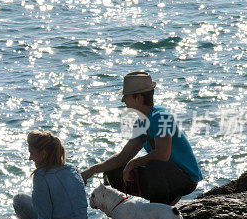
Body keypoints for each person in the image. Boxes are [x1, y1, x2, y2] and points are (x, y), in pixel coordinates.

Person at [81, 71, 202, 205]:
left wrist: (133, 163)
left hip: (185, 179)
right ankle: (125, 212)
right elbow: (123, 157)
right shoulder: (141, 122)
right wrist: (91, 171)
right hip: (164, 175)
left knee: (153, 165)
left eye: (126, 96)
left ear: (138, 98)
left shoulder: (162, 116)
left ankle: (160, 208)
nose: (122, 100)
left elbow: (163, 155)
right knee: (112, 172)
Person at [0, 131, 89, 219]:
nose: (30, 158)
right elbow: (79, 209)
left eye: (32, 152)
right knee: (19, 199)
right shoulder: (72, 169)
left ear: (44, 153)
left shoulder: (41, 177)